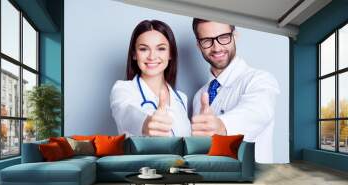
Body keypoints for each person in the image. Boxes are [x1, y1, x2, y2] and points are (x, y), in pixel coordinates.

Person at [190, 18, 280, 163]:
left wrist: (222, 126)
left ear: (235, 36)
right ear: (198, 45)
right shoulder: (199, 96)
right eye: (207, 40)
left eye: (223, 37)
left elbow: (258, 111)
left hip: (248, 182)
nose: (217, 48)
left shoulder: (260, 79)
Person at [110, 20, 191, 137]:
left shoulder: (182, 98)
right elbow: (127, 112)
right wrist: (146, 122)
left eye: (161, 49)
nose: (152, 56)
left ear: (170, 54)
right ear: (134, 54)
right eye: (143, 49)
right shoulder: (123, 89)